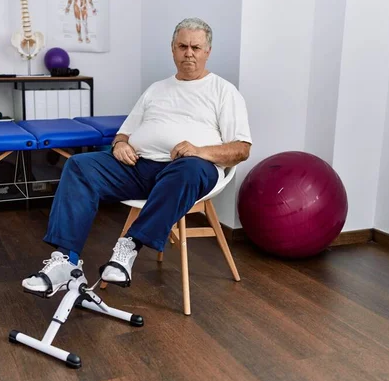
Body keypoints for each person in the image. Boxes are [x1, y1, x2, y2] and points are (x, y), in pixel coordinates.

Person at [22, 17, 252, 296]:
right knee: (79, 165)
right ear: (172, 49)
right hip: (139, 167)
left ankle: (129, 246)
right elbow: (124, 133)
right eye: (182, 46)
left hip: (190, 170)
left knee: (187, 169)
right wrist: (119, 144)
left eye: (195, 47)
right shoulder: (156, 89)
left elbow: (241, 148)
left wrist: (199, 151)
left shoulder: (224, 91)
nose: (188, 53)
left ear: (207, 52)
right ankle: (65, 261)